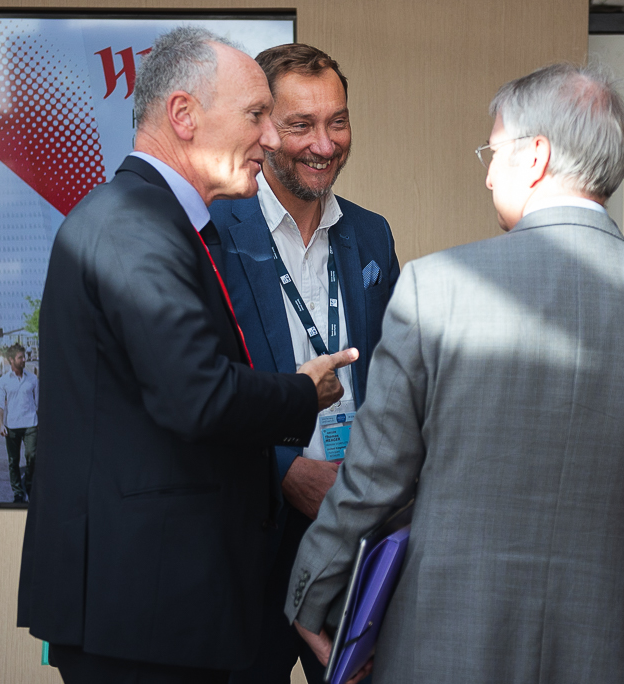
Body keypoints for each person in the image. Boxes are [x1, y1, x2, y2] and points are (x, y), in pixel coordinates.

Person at [285, 64, 624, 683]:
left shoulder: (435, 288)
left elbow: (374, 477)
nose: (489, 173)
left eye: (494, 152)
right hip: (618, 649)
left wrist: (312, 592)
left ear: (536, 157)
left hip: (446, 646)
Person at [16, 27, 357, 684]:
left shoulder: (153, 220)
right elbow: (197, 395)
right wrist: (302, 392)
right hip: (141, 608)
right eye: (256, 116)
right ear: (183, 115)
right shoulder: (134, 224)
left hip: (155, 604)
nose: (270, 138)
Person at [208, 43, 399, 684]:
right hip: (249, 537)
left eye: (337, 121)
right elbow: (198, 389)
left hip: (351, 533)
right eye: (301, 125)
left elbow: (394, 379)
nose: (324, 144)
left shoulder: (372, 236)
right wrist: (285, 471)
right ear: (263, 128)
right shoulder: (211, 234)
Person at [0, 343, 38, 503]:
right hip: (12, 426)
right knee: (13, 461)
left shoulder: (33, 379)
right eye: (20, 357)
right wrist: (1, 424)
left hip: (31, 424)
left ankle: (30, 485)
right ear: (11, 360)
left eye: (24, 356)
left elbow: (39, 403)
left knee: (32, 456)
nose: (24, 359)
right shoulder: (3, 382)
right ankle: (18, 492)